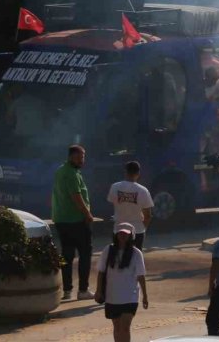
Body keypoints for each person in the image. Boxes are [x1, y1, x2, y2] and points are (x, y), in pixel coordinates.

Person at [52, 144, 94, 300]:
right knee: (85, 254)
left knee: (67, 254)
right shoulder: (71, 174)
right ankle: (83, 290)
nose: (82, 160)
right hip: (76, 220)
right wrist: (87, 214)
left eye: (83, 157)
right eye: (79, 157)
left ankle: (67, 290)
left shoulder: (60, 170)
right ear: (70, 157)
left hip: (61, 220)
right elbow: (76, 197)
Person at [95, 223, 148, 342]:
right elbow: (101, 272)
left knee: (125, 327)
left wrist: (145, 296)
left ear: (131, 236)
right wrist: (98, 290)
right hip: (112, 296)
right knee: (117, 327)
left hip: (130, 296)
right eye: (120, 233)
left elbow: (141, 275)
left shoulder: (136, 253)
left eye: (126, 234)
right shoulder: (108, 250)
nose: (123, 236)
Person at [107, 161, 154, 250]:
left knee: (118, 258)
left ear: (125, 172)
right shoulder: (143, 191)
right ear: (138, 173)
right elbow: (148, 215)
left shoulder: (115, 187)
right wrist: (142, 229)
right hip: (137, 230)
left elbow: (113, 202)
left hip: (118, 229)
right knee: (135, 259)